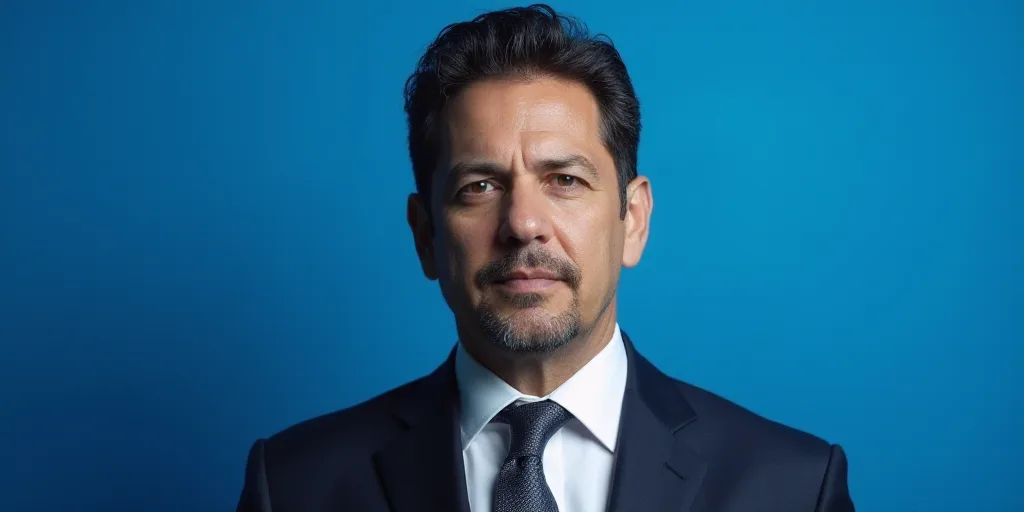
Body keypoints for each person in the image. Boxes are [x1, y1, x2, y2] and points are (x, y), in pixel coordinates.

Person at [234, 4, 855, 511]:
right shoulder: (293, 486)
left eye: (564, 180)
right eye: (478, 186)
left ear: (633, 220)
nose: (523, 223)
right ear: (424, 235)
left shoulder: (794, 488)